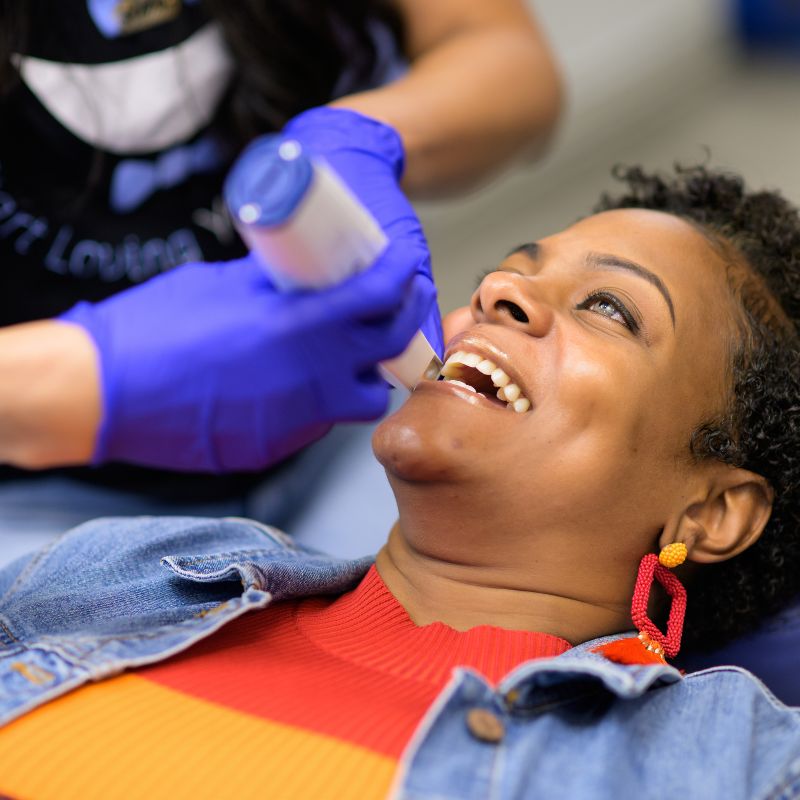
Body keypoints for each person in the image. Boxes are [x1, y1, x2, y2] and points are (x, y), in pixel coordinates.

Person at [0, 164, 798, 799]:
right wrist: (41, 385)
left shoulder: (734, 763)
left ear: (714, 512)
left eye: (610, 309)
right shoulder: (127, 570)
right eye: (508, 271)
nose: (497, 293)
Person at [0, 0, 563, 553]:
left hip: (344, 431)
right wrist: (90, 381)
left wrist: (371, 135)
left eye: (609, 307)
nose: (501, 291)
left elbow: (500, 49)